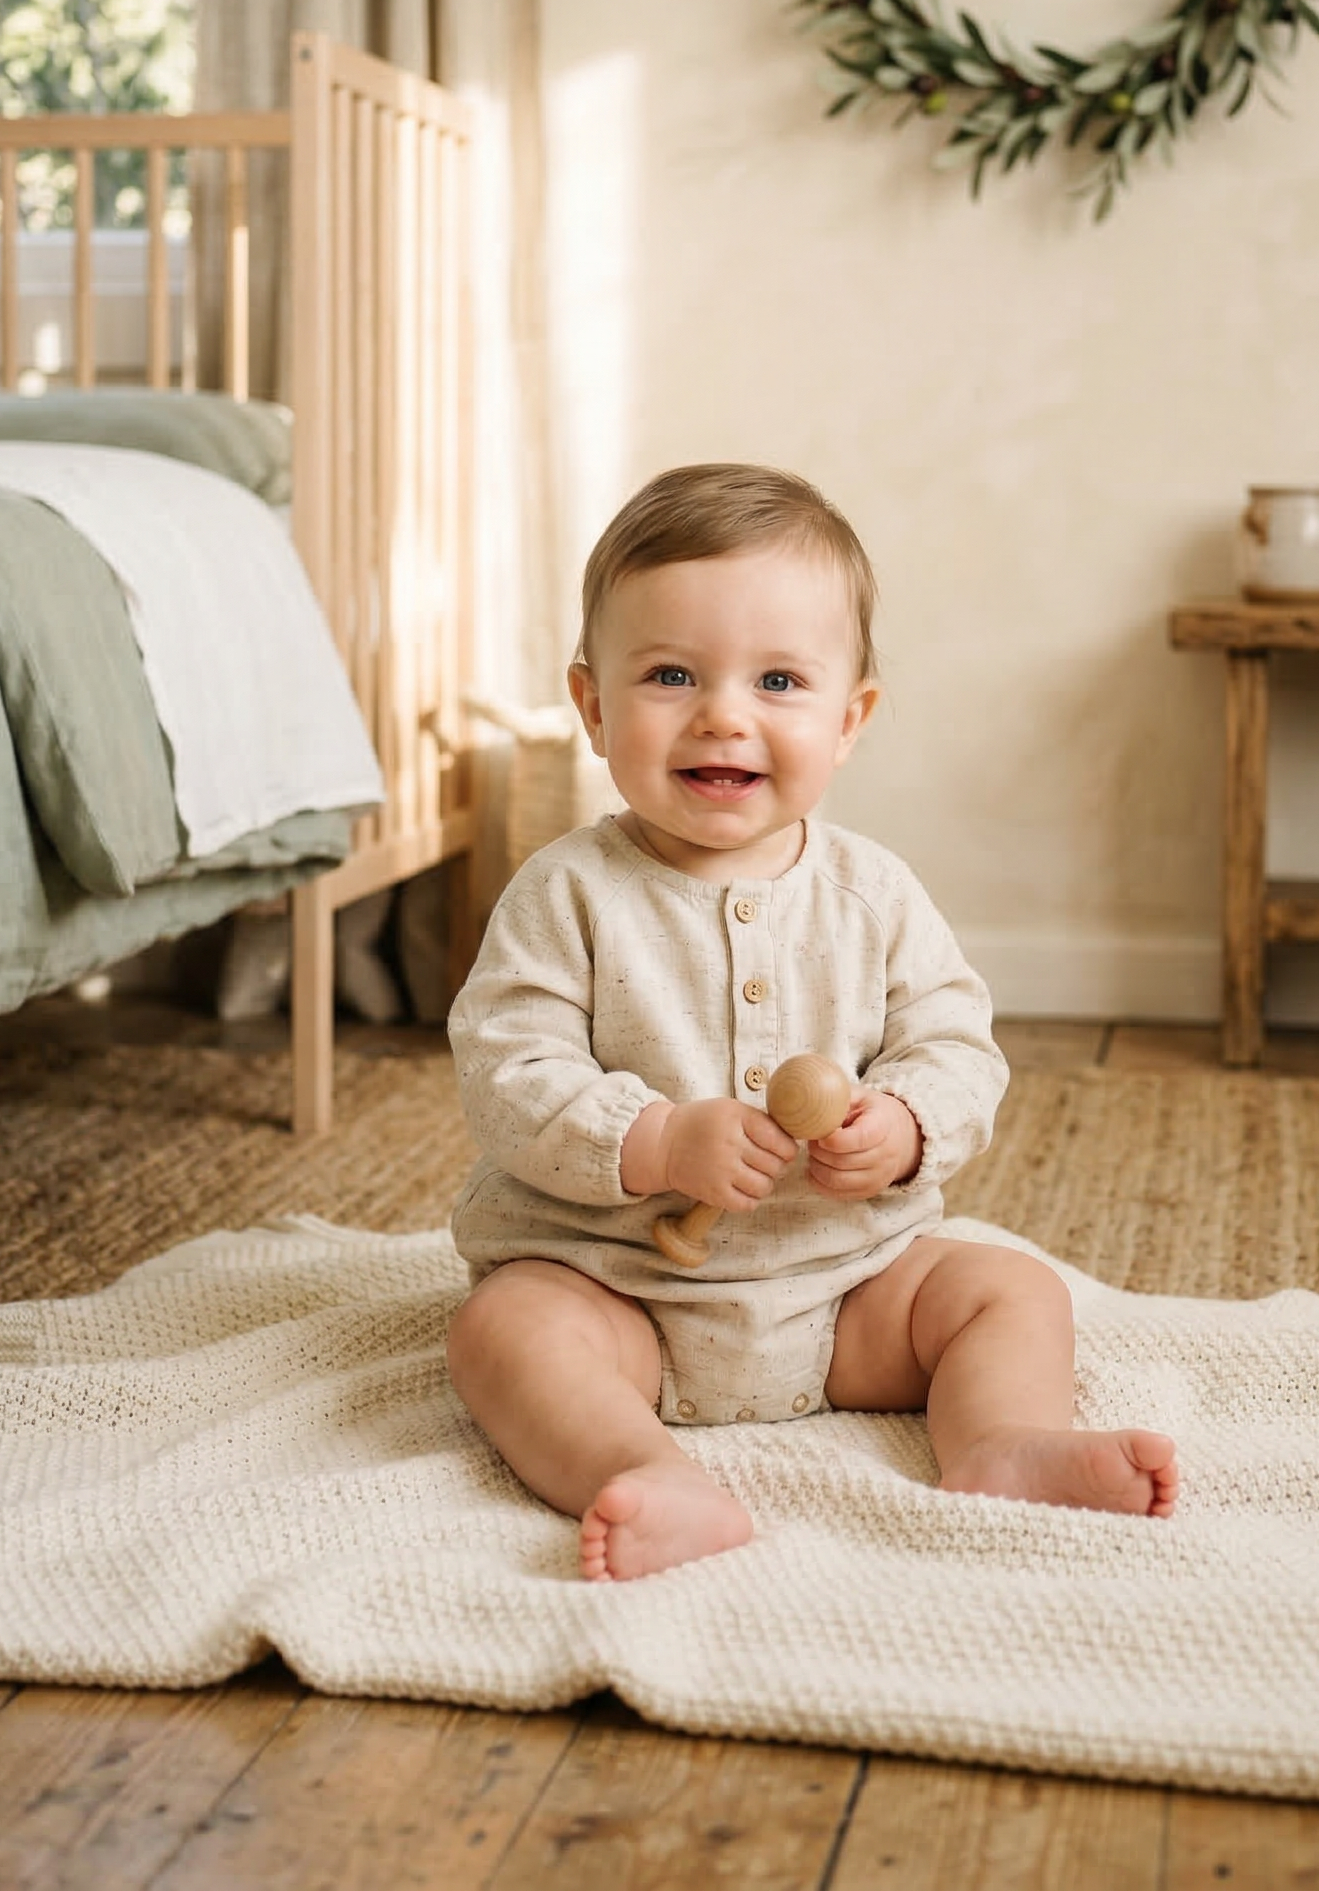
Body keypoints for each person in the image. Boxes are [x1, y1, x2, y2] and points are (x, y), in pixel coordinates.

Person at [446, 463, 1178, 1581]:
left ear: (850, 718)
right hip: (619, 1290)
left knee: (1008, 1289)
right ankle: (645, 1474)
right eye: (671, 674)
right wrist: (650, 1141)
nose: (723, 715)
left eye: (778, 679)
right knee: (503, 1334)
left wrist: (905, 1125)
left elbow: (952, 1041)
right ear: (593, 706)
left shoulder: (872, 893)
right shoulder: (566, 892)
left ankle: (998, 1444)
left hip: (845, 1292)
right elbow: (506, 1068)